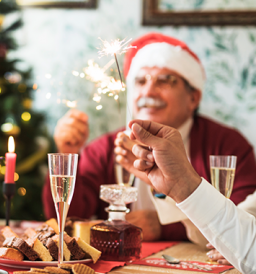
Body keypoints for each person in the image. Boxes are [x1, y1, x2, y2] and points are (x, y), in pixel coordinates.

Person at [42, 32, 256, 242]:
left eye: (164, 81)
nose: (149, 91)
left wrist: (167, 226)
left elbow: (243, 224)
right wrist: (66, 156)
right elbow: (67, 218)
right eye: (140, 81)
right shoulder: (107, 148)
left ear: (193, 97)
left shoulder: (227, 147)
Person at [128, 119, 256, 274]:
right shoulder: (111, 143)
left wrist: (164, 225)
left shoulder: (226, 140)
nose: (148, 93)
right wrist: (233, 242)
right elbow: (241, 224)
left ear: (193, 99)